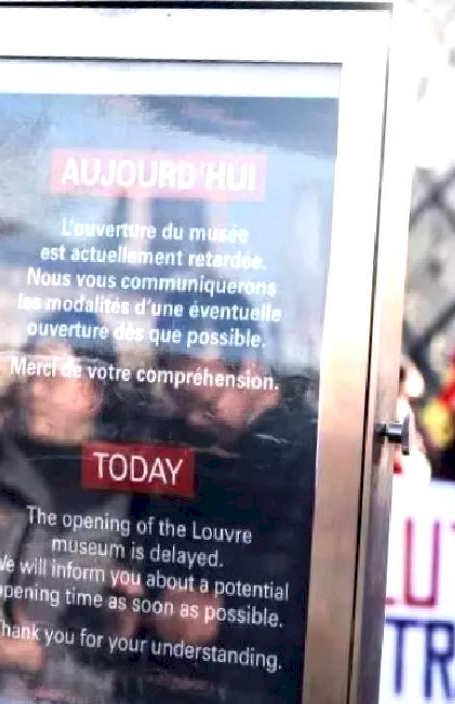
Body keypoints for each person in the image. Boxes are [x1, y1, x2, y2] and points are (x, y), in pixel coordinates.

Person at [114, 290, 316, 703]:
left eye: (205, 403)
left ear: (251, 368)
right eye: (178, 401)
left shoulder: (311, 458)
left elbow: (326, 611)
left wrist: (225, 622)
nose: (191, 419)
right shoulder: (176, 446)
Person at [0, 310, 125, 703]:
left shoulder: (128, 505)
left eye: (51, 378)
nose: (34, 391)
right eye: (31, 376)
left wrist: (42, 664)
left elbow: (132, 671)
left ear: (92, 394)